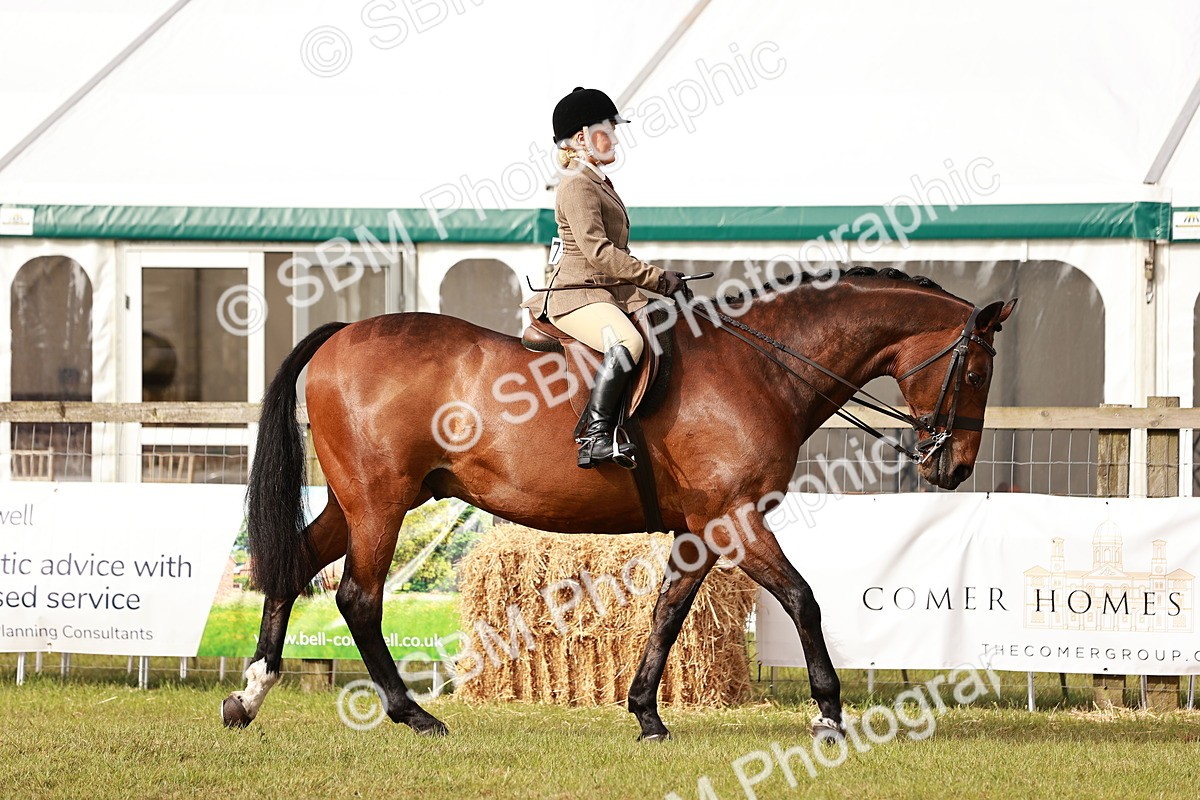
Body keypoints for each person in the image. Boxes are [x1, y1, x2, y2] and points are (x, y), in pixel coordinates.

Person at [521, 87, 688, 470]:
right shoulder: (578, 184)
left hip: (606, 292)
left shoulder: (597, 181)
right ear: (582, 138)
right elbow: (599, 252)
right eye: (608, 129)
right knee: (627, 341)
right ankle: (593, 437)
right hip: (577, 296)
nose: (615, 137)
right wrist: (658, 279)